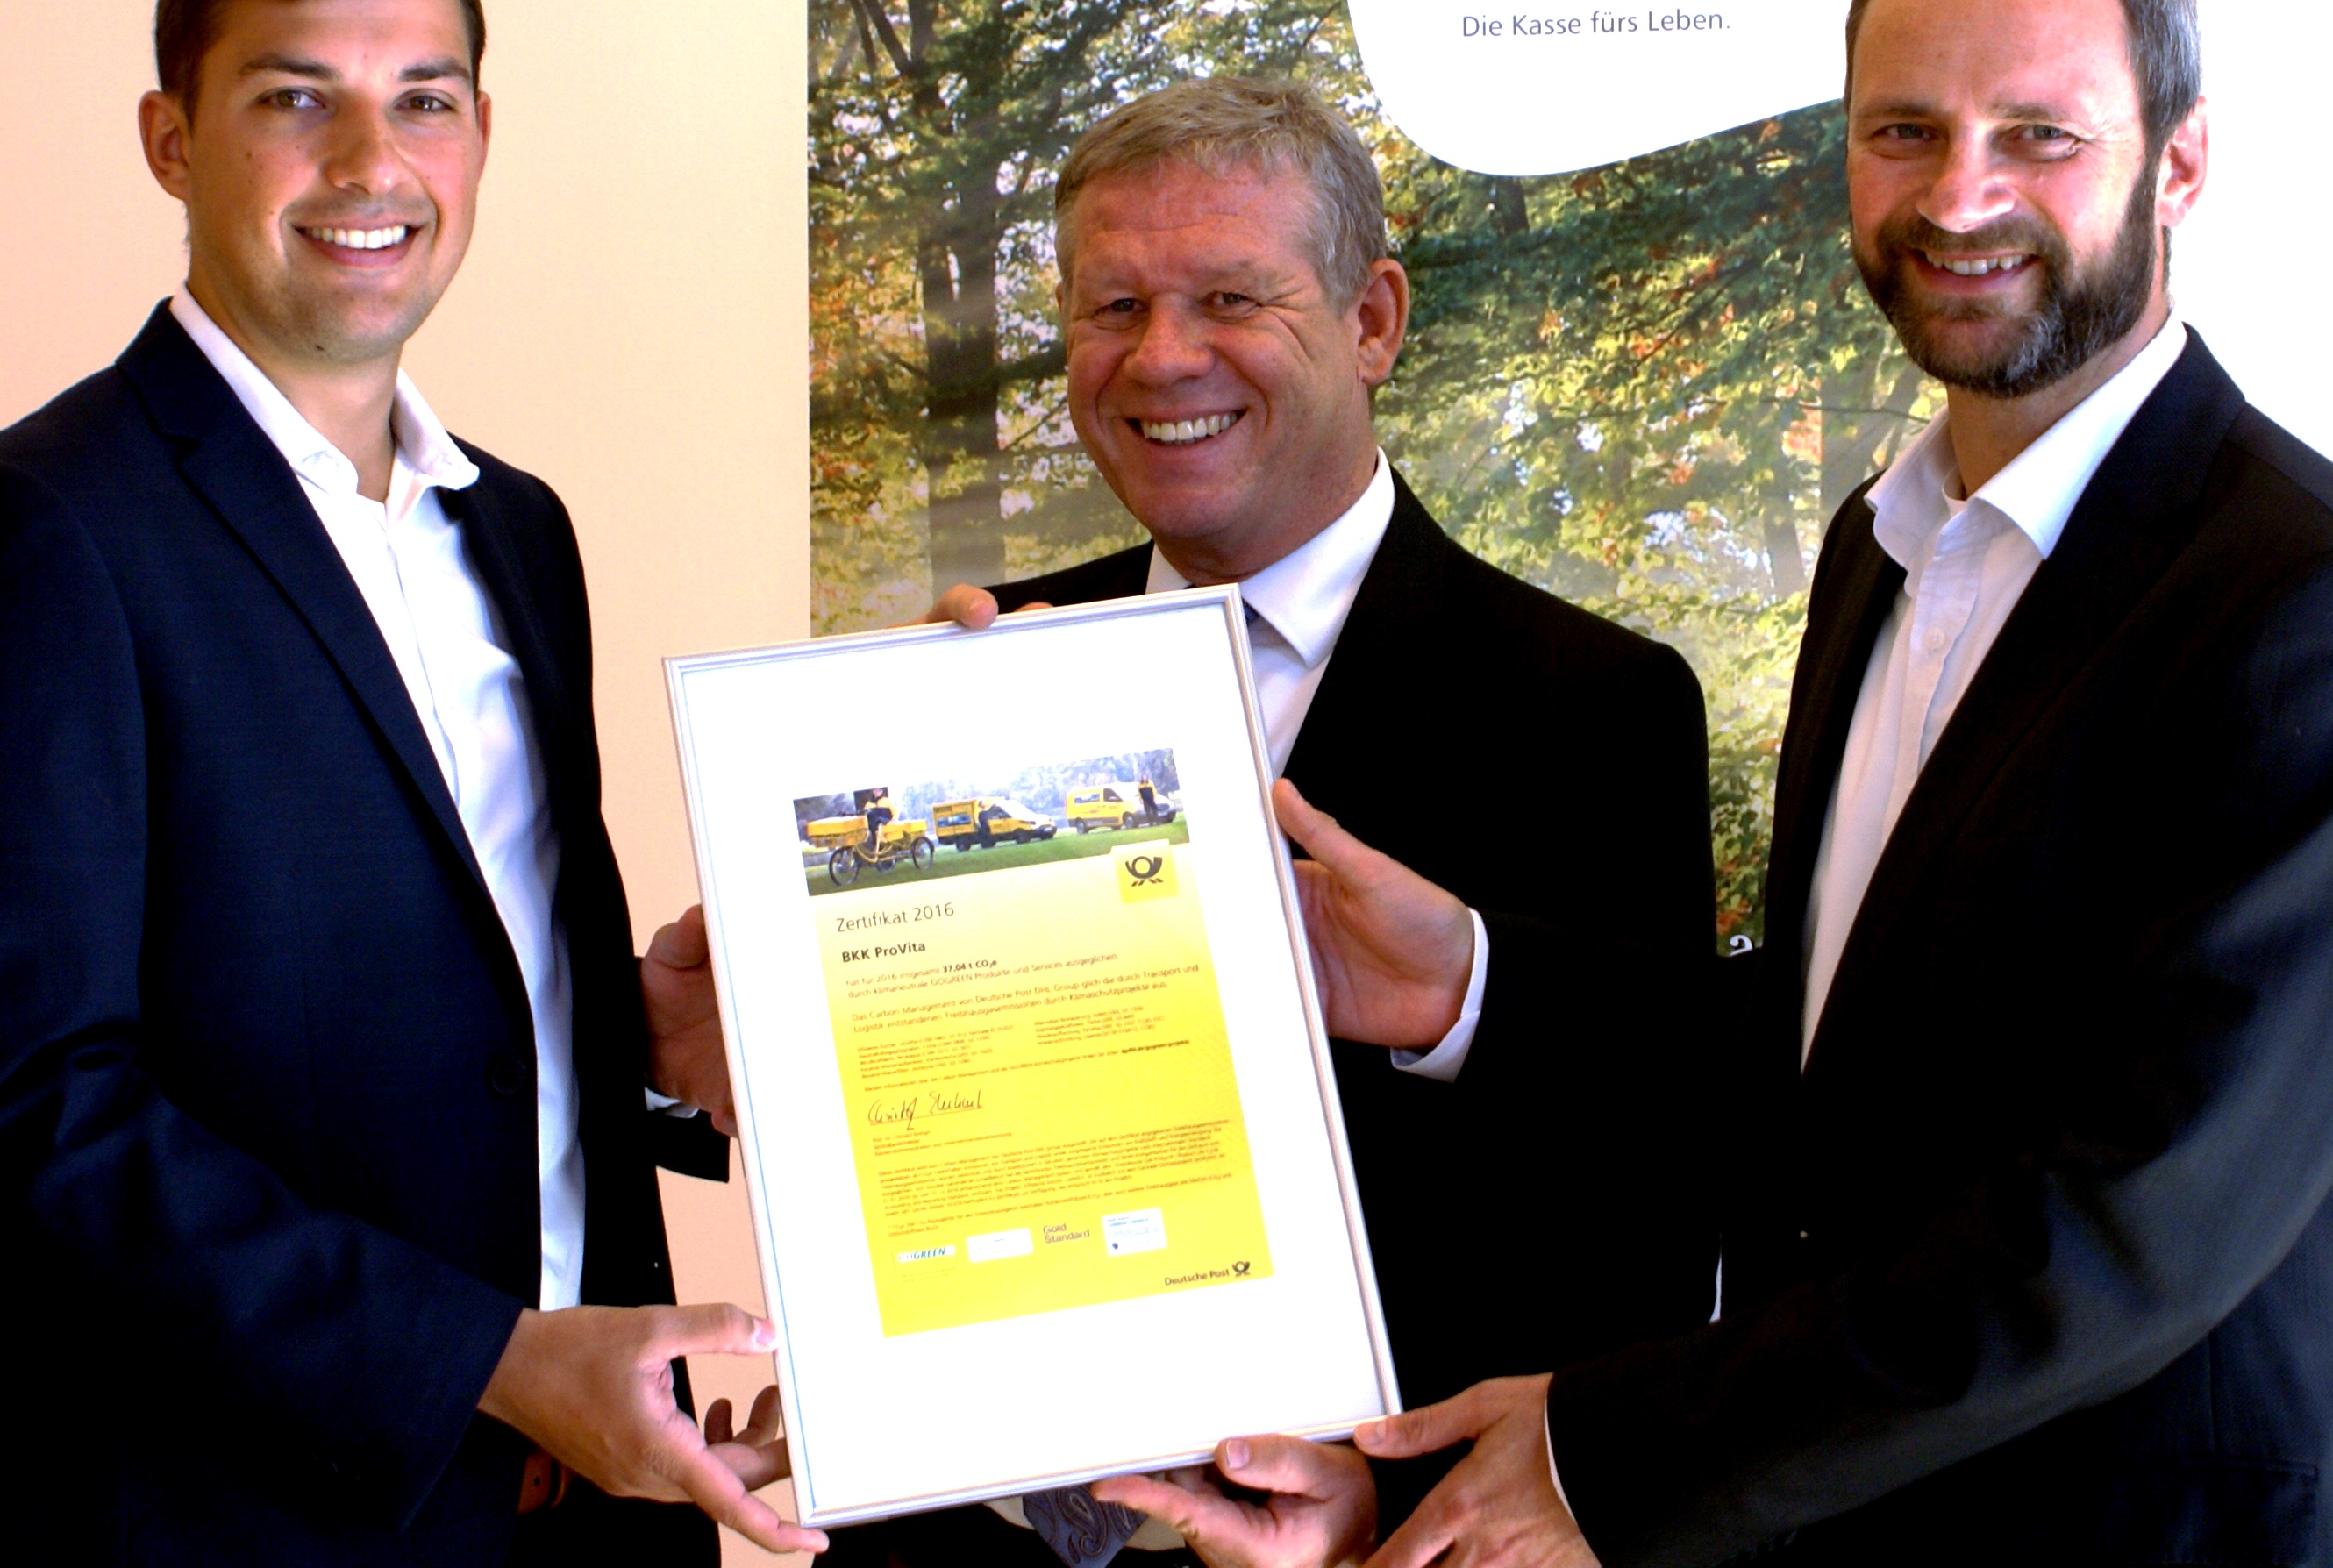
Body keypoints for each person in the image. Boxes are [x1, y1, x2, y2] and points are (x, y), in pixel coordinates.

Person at [1147, 0, 2333, 1568]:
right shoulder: (1882, 554)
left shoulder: (2324, 611)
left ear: (2181, 162)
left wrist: (1601, 1460)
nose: (1960, 196)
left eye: (2039, 135)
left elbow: (2132, 1222)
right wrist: (1467, 984)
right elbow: (1836, 1061)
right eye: (1903, 131)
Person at [0, 0, 821, 1565]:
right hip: (213, 1531)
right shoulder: (22, 539)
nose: (371, 164)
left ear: (480, 134)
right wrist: (489, 1364)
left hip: (575, 1523)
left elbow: (419, 990)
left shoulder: (517, 534)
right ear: (171, 139)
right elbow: (18, 1118)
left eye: (422, 100)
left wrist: (638, 1038)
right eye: (296, 100)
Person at [659, 75, 1721, 1568]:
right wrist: (747, 1047)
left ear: (1373, 321)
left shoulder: (1594, 708)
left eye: (1230, 296)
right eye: (1114, 307)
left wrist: (1391, 1511)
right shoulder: (960, 674)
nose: (1162, 357)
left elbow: (1646, 1211)